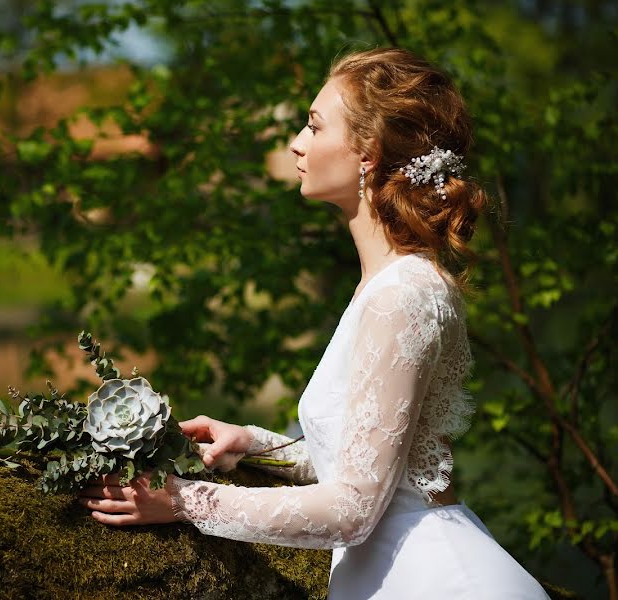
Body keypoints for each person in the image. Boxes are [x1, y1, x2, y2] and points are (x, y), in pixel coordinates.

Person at [77, 46, 551, 599]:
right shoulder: (389, 287)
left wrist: (181, 500)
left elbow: (353, 508)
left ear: (368, 152)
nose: (297, 144)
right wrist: (253, 443)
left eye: (314, 126)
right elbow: (370, 466)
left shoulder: (404, 295)